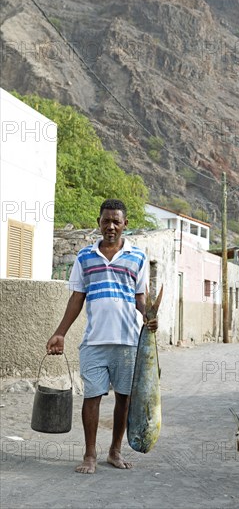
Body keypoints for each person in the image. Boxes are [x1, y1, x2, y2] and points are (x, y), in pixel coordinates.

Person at [46, 199, 157, 474]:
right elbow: (77, 298)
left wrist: (148, 315)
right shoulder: (85, 257)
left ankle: (115, 451)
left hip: (129, 342)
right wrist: (60, 332)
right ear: (99, 222)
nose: (110, 226)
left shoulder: (138, 257)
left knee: (124, 398)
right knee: (92, 397)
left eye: (116, 221)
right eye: (106, 220)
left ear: (125, 225)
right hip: (94, 341)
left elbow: (139, 297)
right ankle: (90, 455)